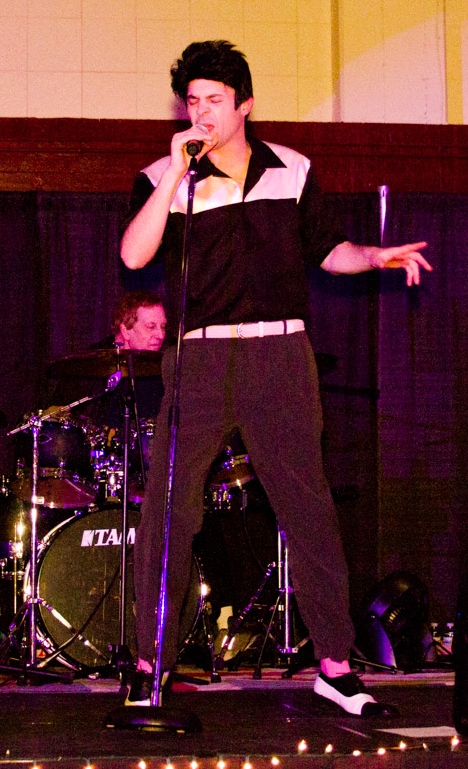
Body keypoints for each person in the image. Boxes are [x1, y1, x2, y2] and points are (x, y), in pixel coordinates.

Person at [120, 40, 432, 715]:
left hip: (280, 358)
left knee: (309, 508)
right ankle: (151, 664)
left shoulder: (291, 172)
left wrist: (377, 255)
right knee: (171, 509)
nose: (201, 114)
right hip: (201, 358)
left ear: (245, 106)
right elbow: (133, 253)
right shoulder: (165, 177)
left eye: (214, 102)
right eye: (192, 102)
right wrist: (175, 176)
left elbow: (329, 252)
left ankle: (335, 664)